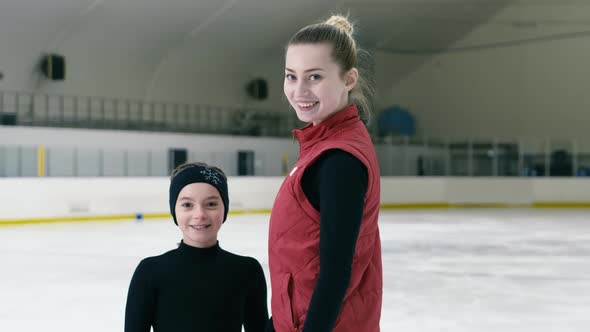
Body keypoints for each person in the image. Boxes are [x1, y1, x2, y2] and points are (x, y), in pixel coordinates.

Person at [267, 14, 382, 332]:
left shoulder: (339, 161)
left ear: (349, 79)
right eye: (291, 76)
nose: (299, 90)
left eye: (314, 77)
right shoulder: (326, 144)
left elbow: (335, 274)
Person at [125, 162, 268, 332]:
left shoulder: (247, 271)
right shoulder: (150, 272)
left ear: (225, 209)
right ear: (174, 210)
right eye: (187, 205)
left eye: (211, 204)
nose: (199, 214)